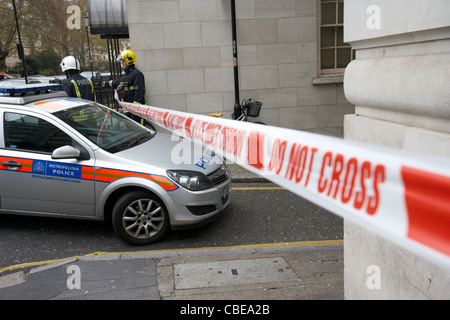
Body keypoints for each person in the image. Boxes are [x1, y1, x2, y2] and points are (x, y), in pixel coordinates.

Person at [106, 49, 146, 124]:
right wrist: (106, 83)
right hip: (128, 107)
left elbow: (139, 92)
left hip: (136, 110)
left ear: (129, 60)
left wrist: (135, 110)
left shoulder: (136, 74)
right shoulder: (126, 74)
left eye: (123, 61)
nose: (122, 63)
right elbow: (117, 82)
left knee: (138, 130)